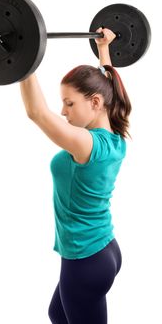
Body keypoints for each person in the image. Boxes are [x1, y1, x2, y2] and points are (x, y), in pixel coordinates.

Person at [20, 27, 132, 324]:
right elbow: (110, 84)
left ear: (95, 103)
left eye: (69, 103)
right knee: (57, 313)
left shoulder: (86, 144)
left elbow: (37, 113)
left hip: (84, 262)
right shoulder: (116, 134)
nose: (63, 111)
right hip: (104, 249)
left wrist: (21, 59)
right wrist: (104, 48)